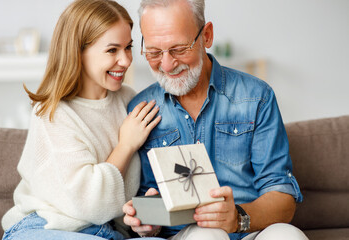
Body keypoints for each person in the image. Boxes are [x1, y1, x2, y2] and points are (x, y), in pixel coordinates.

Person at [122, 0, 308, 239]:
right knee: (207, 235)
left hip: (248, 229)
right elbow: (145, 201)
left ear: (207, 35)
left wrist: (237, 217)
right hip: (186, 235)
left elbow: (282, 197)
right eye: (154, 52)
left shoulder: (256, 97)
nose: (167, 65)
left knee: (288, 235)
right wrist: (146, 221)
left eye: (179, 49)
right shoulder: (140, 110)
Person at [1, 0, 162, 239]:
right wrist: (126, 145)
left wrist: (149, 217)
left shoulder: (130, 101)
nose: (126, 61)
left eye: (128, 47)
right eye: (112, 50)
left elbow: (134, 196)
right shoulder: (52, 113)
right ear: (78, 51)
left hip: (107, 232)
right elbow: (90, 204)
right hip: (45, 227)